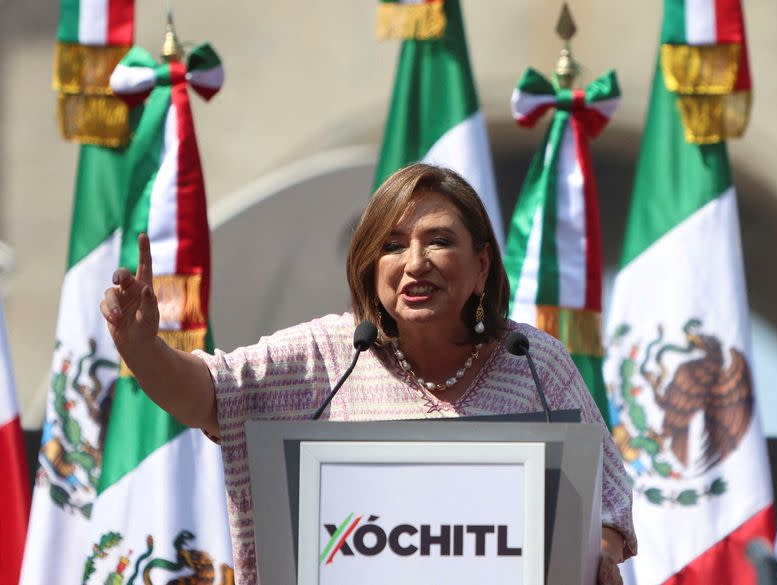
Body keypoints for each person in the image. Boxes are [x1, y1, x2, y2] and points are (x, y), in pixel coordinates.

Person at [101, 163, 636, 585]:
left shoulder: (532, 362)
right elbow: (208, 396)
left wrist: (598, 556)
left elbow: (608, 501)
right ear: (369, 267)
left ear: (482, 267)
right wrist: (145, 350)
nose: (415, 262)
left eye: (440, 241)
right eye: (393, 245)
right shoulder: (330, 355)